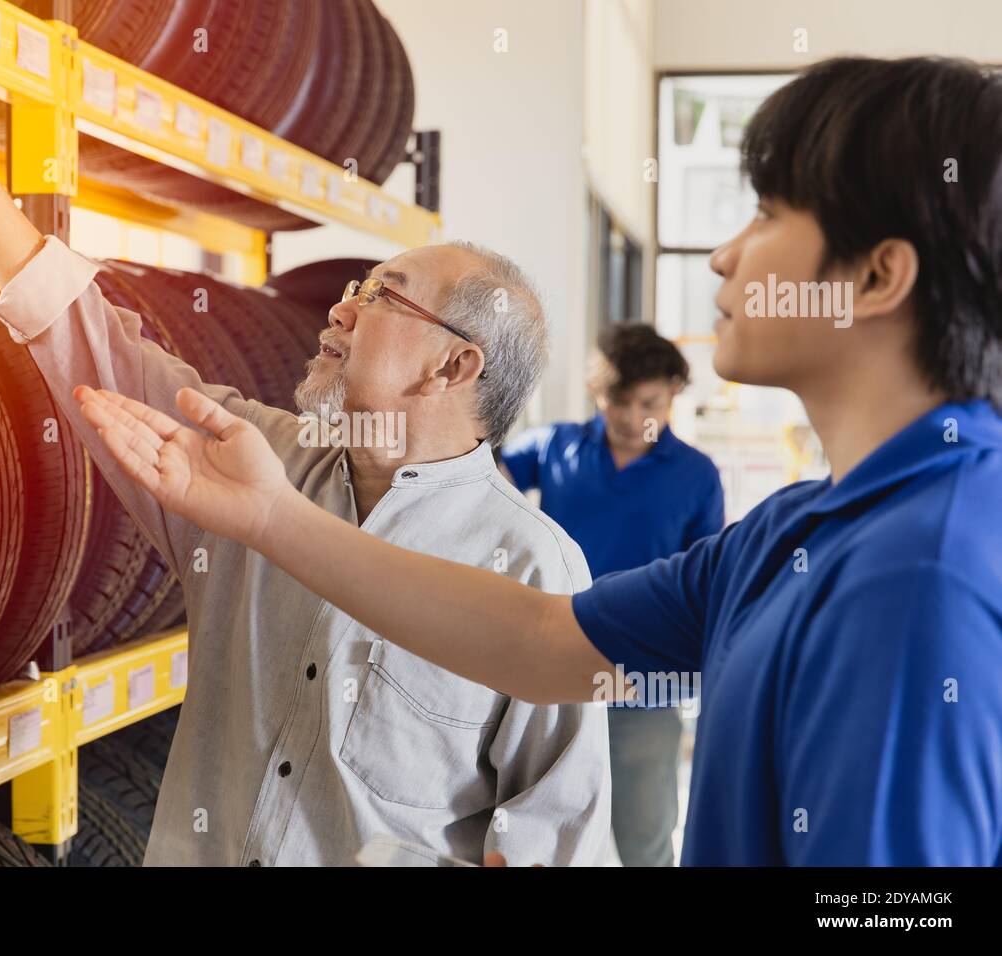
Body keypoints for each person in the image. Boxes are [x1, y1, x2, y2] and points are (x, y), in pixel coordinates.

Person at [74, 54, 1002, 865]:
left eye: (764, 214)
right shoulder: (791, 533)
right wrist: (272, 517)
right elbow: (534, 640)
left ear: (878, 277)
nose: (723, 256)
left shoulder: (922, 572)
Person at [0, 5, 610, 865]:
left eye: (383, 296)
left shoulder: (535, 576)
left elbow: (554, 844)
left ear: (454, 368)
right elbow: (93, 344)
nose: (339, 306)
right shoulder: (253, 462)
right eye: (354, 283)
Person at [501, 324, 724, 866]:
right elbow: (484, 470)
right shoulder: (557, 447)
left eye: (647, 402)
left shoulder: (698, 477)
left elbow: (708, 592)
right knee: (532, 831)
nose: (630, 418)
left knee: (645, 837)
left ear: (673, 392)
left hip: (643, 683)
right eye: (617, 402)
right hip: (548, 672)